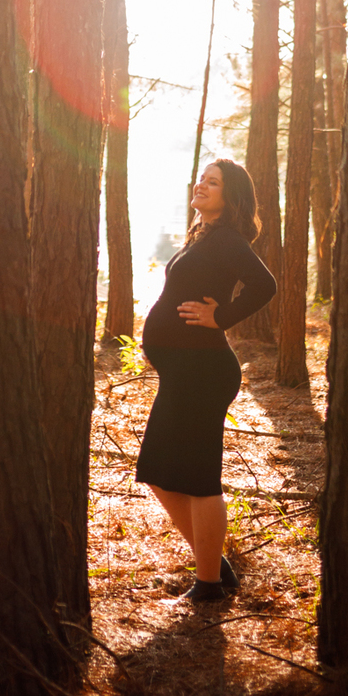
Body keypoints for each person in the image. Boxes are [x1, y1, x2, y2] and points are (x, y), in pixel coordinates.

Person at [135, 157, 277, 602]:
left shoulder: (228, 240)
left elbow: (265, 285)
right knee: (158, 472)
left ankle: (209, 584)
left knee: (199, 479)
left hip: (202, 372)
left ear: (229, 196)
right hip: (184, 372)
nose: (201, 185)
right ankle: (214, 564)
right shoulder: (206, 237)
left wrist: (222, 317)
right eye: (201, 179)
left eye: (212, 183)